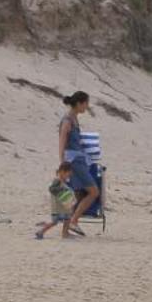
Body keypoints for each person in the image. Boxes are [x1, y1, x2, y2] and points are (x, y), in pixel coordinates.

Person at [56, 90, 100, 236]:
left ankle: (65, 232)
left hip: (78, 160)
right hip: (74, 162)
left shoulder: (74, 118)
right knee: (93, 192)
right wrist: (62, 163)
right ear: (79, 103)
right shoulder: (68, 120)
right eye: (86, 103)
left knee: (75, 195)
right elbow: (62, 142)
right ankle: (74, 221)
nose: (87, 107)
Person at [33, 162, 77, 239]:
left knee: (67, 219)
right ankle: (41, 231)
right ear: (62, 172)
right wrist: (63, 191)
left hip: (63, 207)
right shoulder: (57, 180)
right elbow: (52, 189)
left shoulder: (62, 181)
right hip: (58, 207)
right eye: (68, 174)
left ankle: (65, 233)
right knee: (54, 222)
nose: (68, 177)